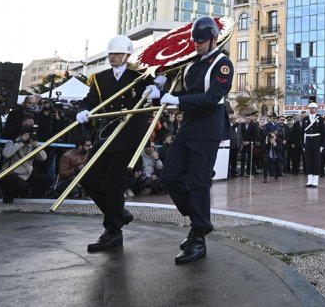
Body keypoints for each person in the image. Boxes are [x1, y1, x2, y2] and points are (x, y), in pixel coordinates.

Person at [158, 16, 234, 264]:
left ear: (213, 39)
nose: (196, 45)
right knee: (169, 177)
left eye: (201, 41)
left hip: (208, 130)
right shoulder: (191, 65)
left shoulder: (223, 64)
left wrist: (177, 101)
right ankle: (199, 221)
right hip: (189, 128)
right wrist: (160, 93)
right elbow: (185, 93)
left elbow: (212, 97)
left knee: (198, 182)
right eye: (195, 41)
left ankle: (199, 237)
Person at [76, 35, 158, 252]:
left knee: (114, 183)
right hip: (107, 133)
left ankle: (113, 232)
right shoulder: (100, 78)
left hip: (129, 135)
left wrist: (157, 90)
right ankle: (119, 214)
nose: (113, 57)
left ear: (127, 55)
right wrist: (83, 110)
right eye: (111, 54)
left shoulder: (139, 76)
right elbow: (90, 100)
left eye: (118, 54)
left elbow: (157, 98)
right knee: (88, 177)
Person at [0, 126, 53, 202]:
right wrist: (21, 142)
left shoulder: (31, 146)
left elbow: (43, 158)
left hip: (26, 175)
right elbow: (6, 154)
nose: (28, 137)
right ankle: (8, 197)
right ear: (22, 135)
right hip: (10, 175)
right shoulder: (12, 142)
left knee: (49, 180)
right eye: (27, 135)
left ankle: (34, 199)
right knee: (22, 185)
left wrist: (36, 146)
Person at [302, 102, 325, 188]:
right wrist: (303, 145)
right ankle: (309, 181)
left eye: (313, 108)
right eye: (310, 108)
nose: (312, 109)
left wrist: (322, 145)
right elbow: (302, 133)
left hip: (317, 143)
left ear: (316, 109)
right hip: (307, 142)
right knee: (308, 162)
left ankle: (315, 181)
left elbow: (323, 133)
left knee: (316, 162)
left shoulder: (321, 119)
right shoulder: (305, 119)